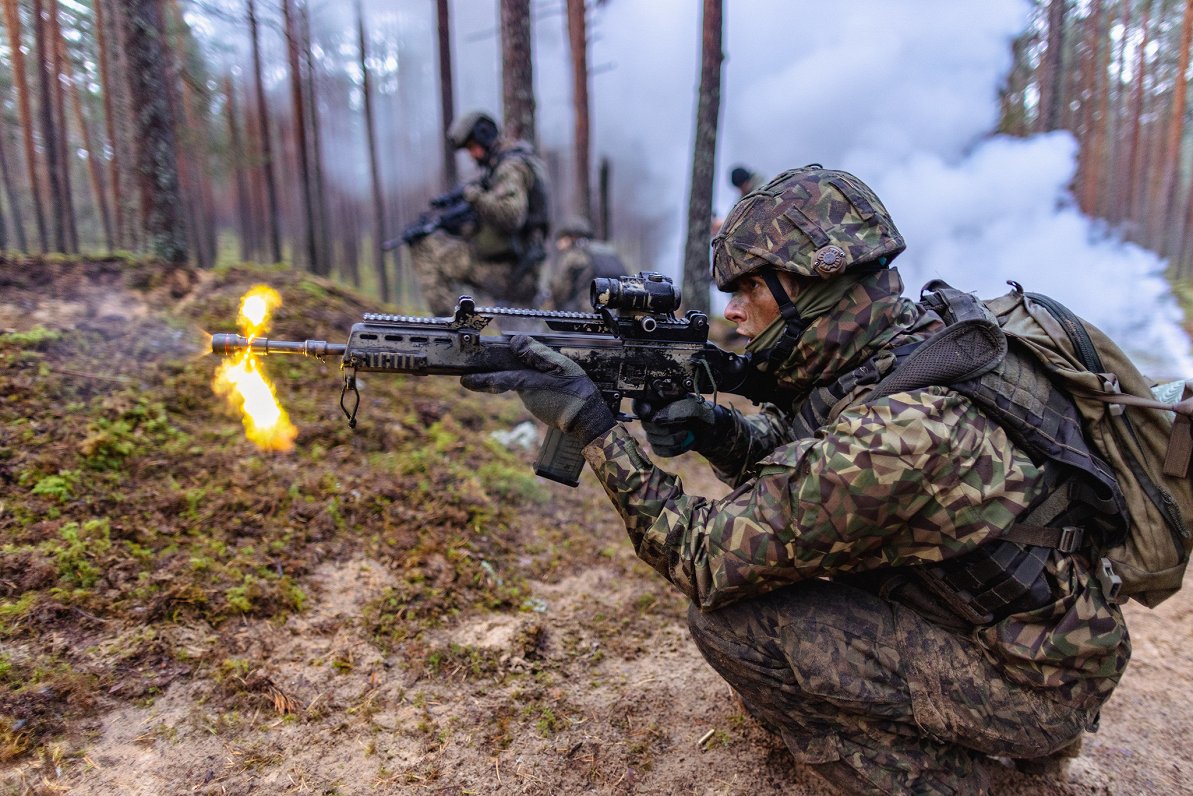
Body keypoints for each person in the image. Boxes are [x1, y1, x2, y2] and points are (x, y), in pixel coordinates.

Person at [460, 165, 1127, 794]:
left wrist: (596, 431)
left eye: (751, 287)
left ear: (820, 281)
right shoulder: (908, 348)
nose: (734, 314)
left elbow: (705, 558)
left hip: (1032, 684)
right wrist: (717, 431)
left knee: (733, 622)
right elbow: (807, 461)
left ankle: (952, 781)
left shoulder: (901, 432)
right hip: (1032, 637)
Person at [410, 111, 550, 315]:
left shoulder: (510, 167)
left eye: (472, 147)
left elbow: (511, 216)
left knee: (424, 247)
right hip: (516, 271)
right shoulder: (503, 166)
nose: (472, 155)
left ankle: (448, 333)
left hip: (514, 275)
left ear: (485, 136)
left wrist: (473, 196)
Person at [543, 216, 629, 312]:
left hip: (588, 309)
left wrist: (548, 301)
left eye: (562, 238)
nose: (558, 244)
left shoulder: (574, 255)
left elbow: (560, 288)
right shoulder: (606, 250)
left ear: (572, 237)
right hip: (616, 307)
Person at [712, 164, 763, 236]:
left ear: (746, 181)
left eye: (741, 187)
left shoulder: (761, 189)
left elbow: (749, 208)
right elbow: (736, 209)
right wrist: (723, 224)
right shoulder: (746, 193)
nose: (741, 190)